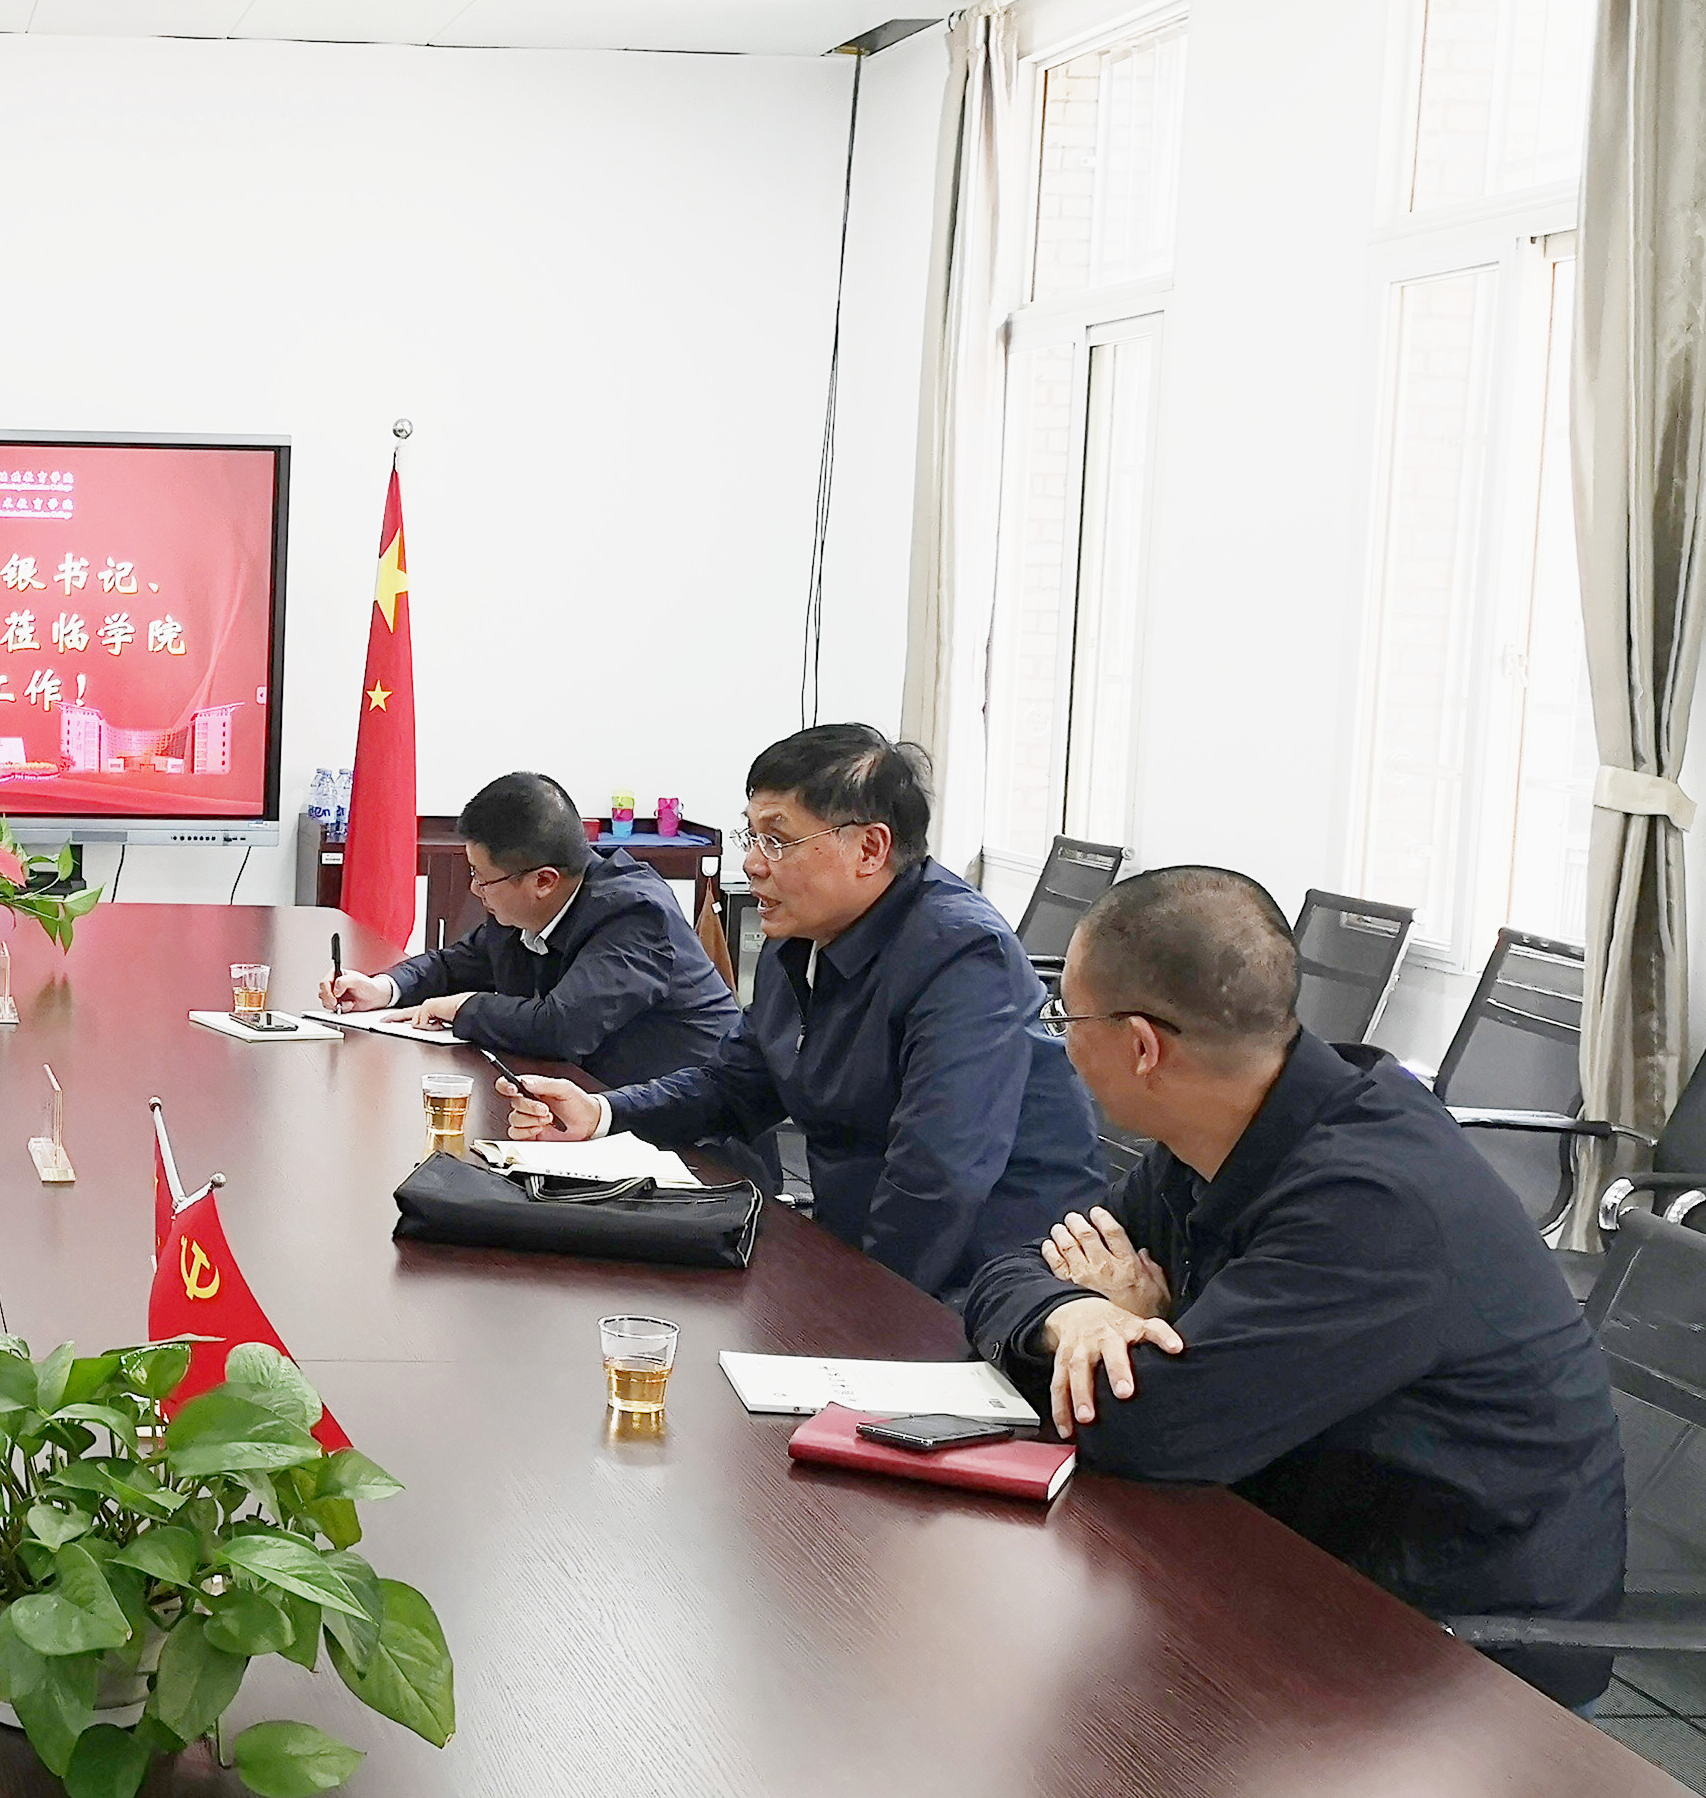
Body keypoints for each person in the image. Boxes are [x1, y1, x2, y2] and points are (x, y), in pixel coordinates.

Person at [960, 866, 1625, 1708]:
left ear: (1141, 1046)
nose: (1060, 1039)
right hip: (1297, 1548)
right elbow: (1004, 1273)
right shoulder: (1223, 1130)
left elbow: (1151, 1429)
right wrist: (1081, 1314)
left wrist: (1137, 1342)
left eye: (1068, 1017)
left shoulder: (1371, 1203)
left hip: (1456, 1655)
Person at [497, 724, 1103, 1302]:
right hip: (855, 1251)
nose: (753, 863)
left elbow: (938, 1175)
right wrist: (603, 1112)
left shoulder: (963, 955)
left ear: (869, 848)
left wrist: (860, 1309)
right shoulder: (800, 941)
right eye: (751, 836)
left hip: (991, 1281)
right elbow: (735, 1085)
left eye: (777, 840)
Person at [319, 769, 740, 1090]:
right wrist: (383, 988)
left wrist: (462, 1008)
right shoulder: (522, 907)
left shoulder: (634, 914)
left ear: (543, 881)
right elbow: (454, 965)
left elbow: (562, 1028)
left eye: (482, 878)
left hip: (695, 1134)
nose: (475, 889)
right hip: (593, 1101)